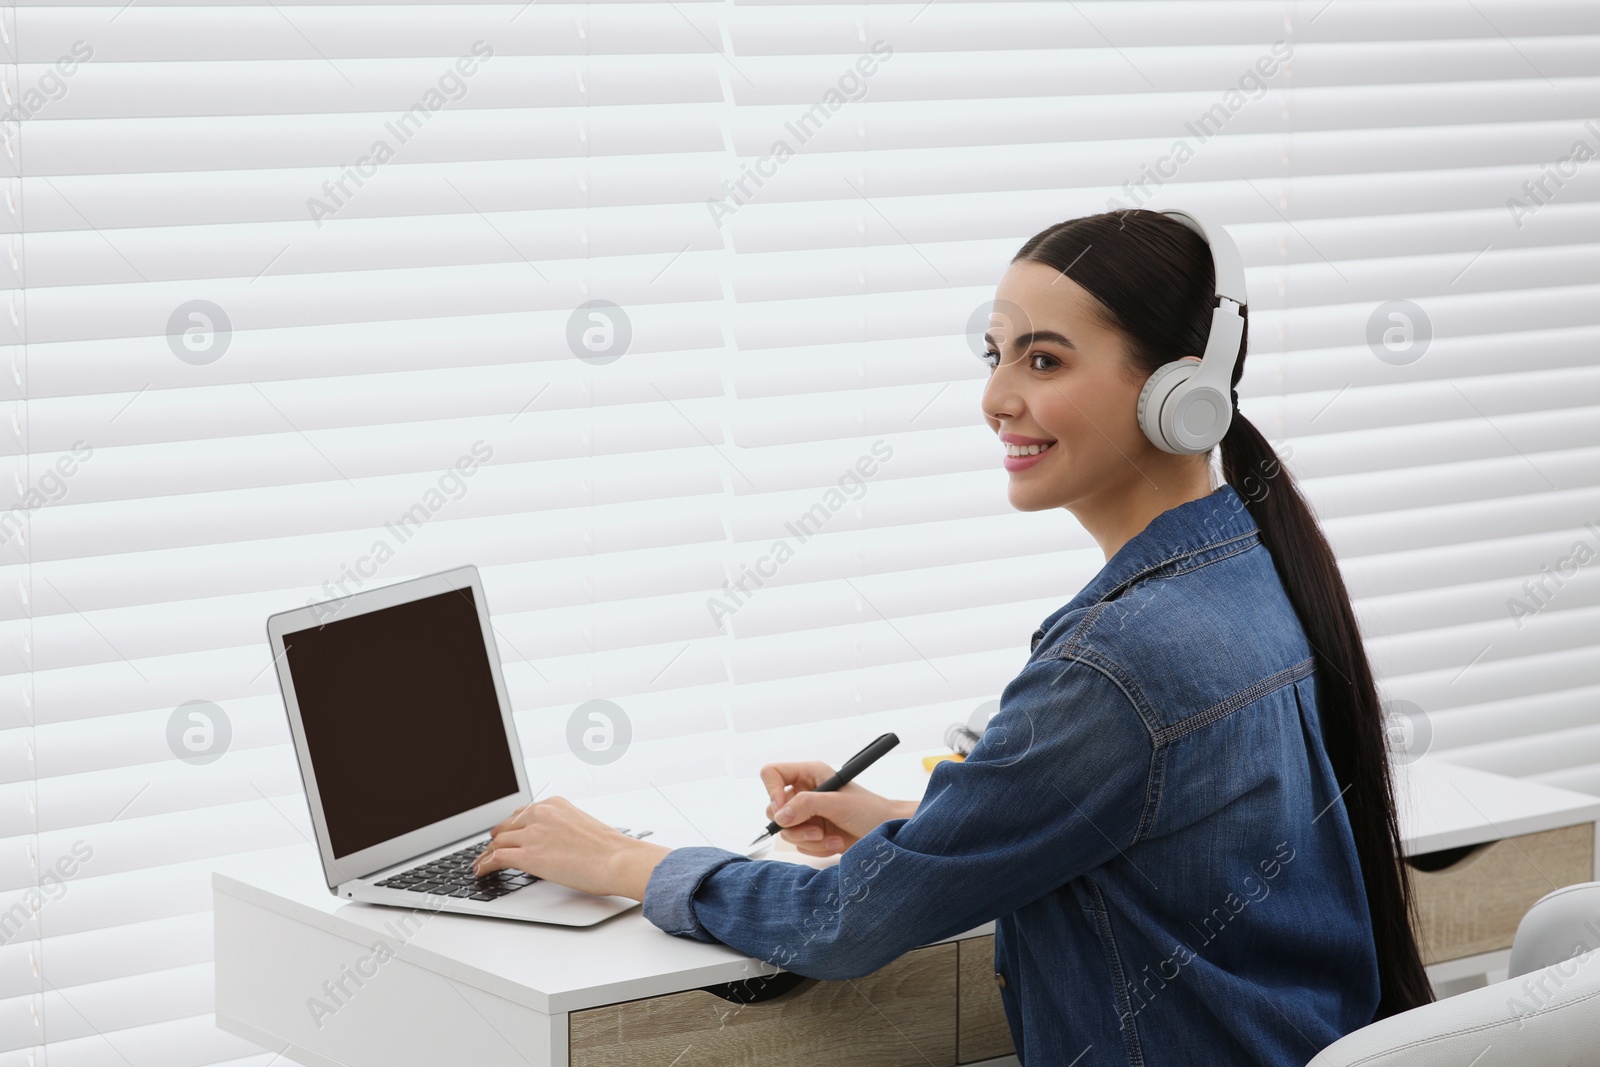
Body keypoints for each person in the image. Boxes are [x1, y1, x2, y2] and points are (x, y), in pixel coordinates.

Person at [472, 208, 1434, 1065]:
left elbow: (847, 924)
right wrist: (909, 823)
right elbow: (1153, 840)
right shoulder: (1246, 572)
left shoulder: (1122, 662)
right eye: (996, 353)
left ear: (1177, 394)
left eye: (1044, 359)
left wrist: (625, 863)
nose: (997, 396)